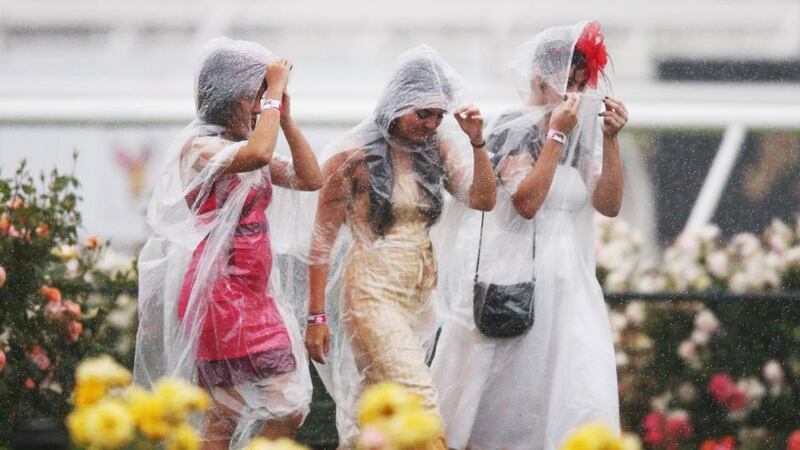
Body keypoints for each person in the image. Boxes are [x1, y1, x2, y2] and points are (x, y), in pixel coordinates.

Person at [431, 21, 628, 449]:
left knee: (579, 383)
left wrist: (610, 140)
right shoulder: (512, 127)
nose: (574, 94)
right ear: (540, 80)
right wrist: (556, 134)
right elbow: (526, 203)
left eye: (581, 84)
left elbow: (608, 204)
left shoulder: (583, 132)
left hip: (571, 280)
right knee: (507, 397)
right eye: (566, 83)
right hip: (518, 273)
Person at [133, 37, 323, 449]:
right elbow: (257, 155)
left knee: (232, 417)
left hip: (254, 296)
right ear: (227, 96)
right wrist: (272, 92)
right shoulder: (200, 149)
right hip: (219, 295)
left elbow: (311, 178)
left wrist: (285, 117)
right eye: (252, 98)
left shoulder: (246, 148)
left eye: (261, 99)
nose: (258, 108)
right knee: (279, 405)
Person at [303, 45, 496, 447]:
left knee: (376, 405)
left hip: (417, 289)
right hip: (370, 289)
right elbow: (321, 242)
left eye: (438, 116)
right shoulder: (351, 158)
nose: (430, 124)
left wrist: (477, 144)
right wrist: (316, 316)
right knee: (419, 397)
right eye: (421, 113)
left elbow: (482, 199)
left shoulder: (437, 151)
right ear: (396, 104)